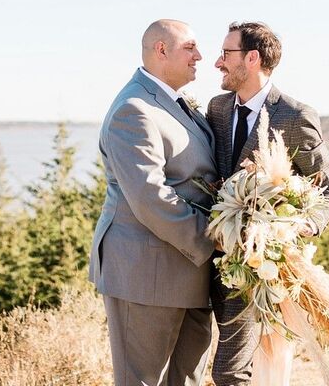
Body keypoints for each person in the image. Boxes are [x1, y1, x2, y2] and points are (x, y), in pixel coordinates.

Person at [206, 21, 329, 385]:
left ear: (251, 58)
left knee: (229, 372)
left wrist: (303, 225)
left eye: (226, 53)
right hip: (205, 259)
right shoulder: (218, 109)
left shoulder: (294, 115)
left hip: (256, 269)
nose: (218, 62)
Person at [89, 19, 219, 386]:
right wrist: (215, 238)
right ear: (161, 50)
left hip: (190, 272)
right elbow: (151, 198)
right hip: (146, 274)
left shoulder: (173, 103)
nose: (200, 56)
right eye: (190, 47)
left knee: (187, 379)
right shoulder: (134, 109)